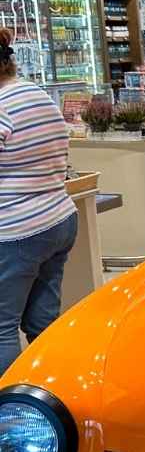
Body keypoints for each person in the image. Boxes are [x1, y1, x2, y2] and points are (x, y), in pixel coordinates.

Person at [0, 27, 78, 376]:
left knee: (2, 328)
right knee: (44, 320)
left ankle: (13, 418)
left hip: (17, 230)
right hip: (58, 218)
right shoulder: (35, 93)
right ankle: (51, 390)